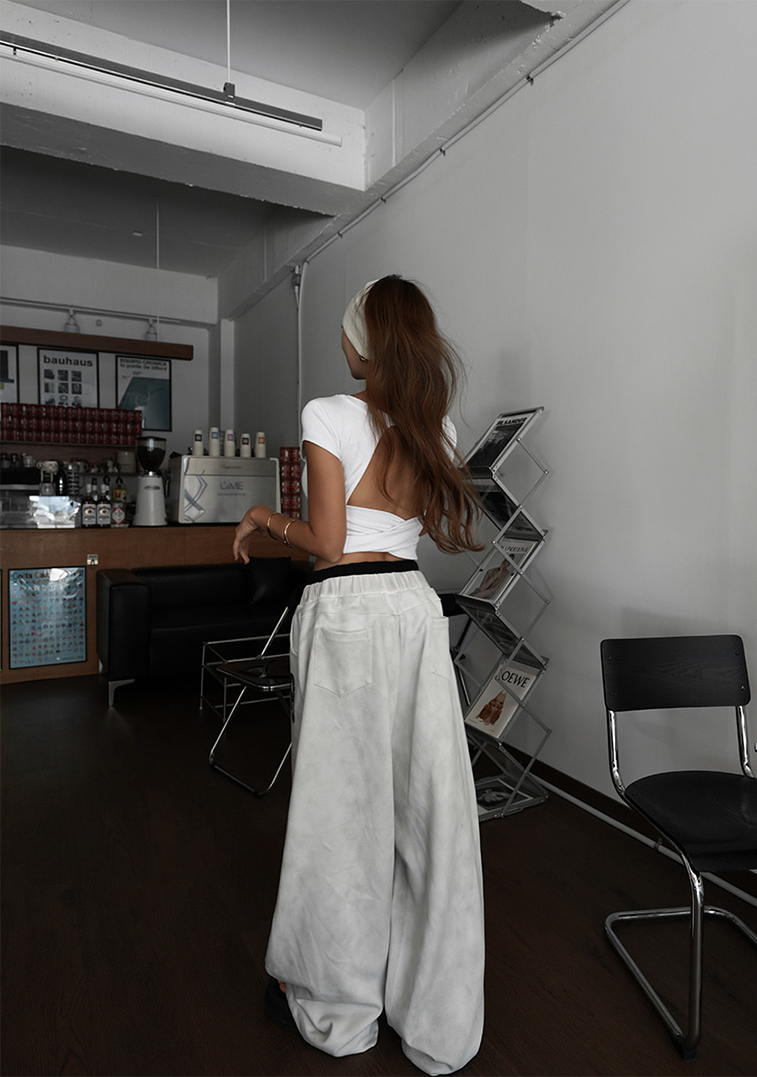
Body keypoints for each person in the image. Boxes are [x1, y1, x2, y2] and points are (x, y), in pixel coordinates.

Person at [232, 275, 485, 1075]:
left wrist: (264, 518)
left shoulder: (327, 413)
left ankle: (339, 1008)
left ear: (361, 340)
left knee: (341, 811)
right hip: (413, 608)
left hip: (345, 611)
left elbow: (329, 541)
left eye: (347, 327)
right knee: (429, 809)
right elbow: (417, 533)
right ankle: (435, 1015)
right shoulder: (437, 426)